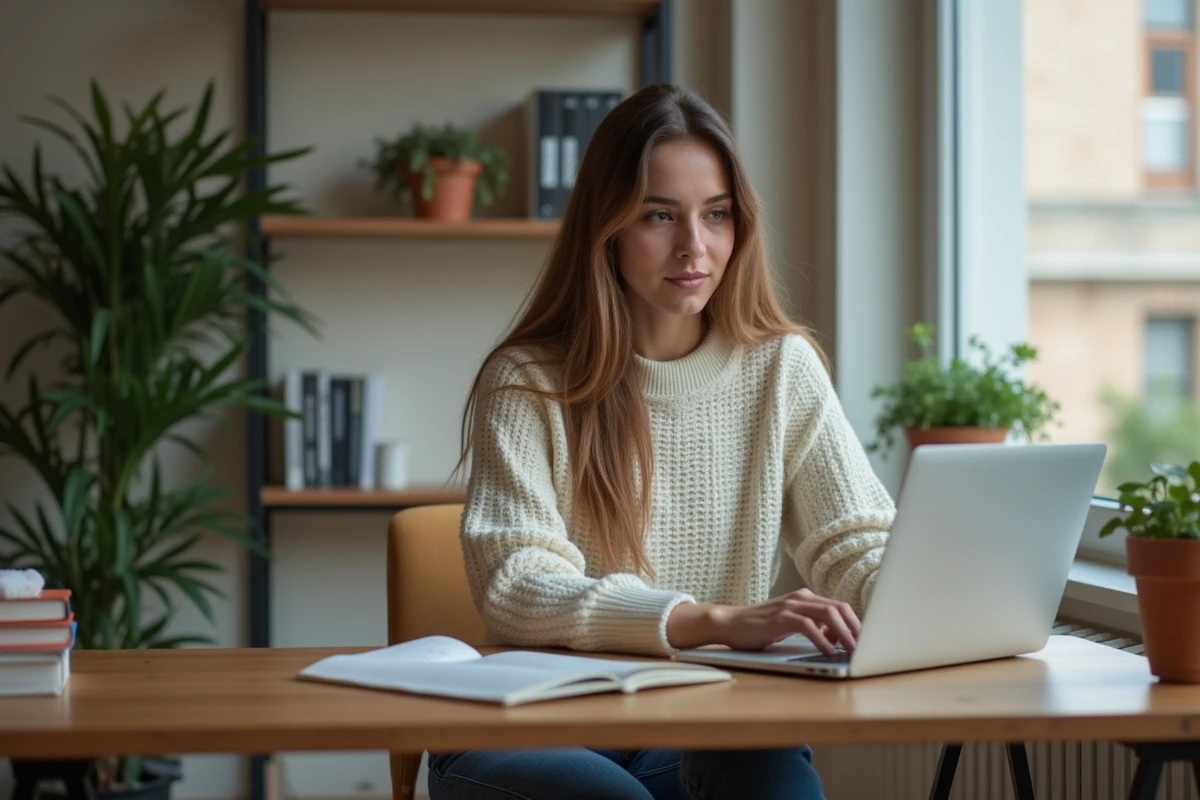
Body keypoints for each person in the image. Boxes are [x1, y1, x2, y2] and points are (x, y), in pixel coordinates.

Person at [429, 83, 896, 800]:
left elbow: (854, 541)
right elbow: (518, 584)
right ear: (606, 227)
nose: (695, 247)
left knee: (771, 771)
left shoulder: (780, 368)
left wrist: (922, 603)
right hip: (532, 723)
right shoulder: (527, 380)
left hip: (693, 722)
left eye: (716, 216)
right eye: (658, 216)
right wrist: (711, 621)